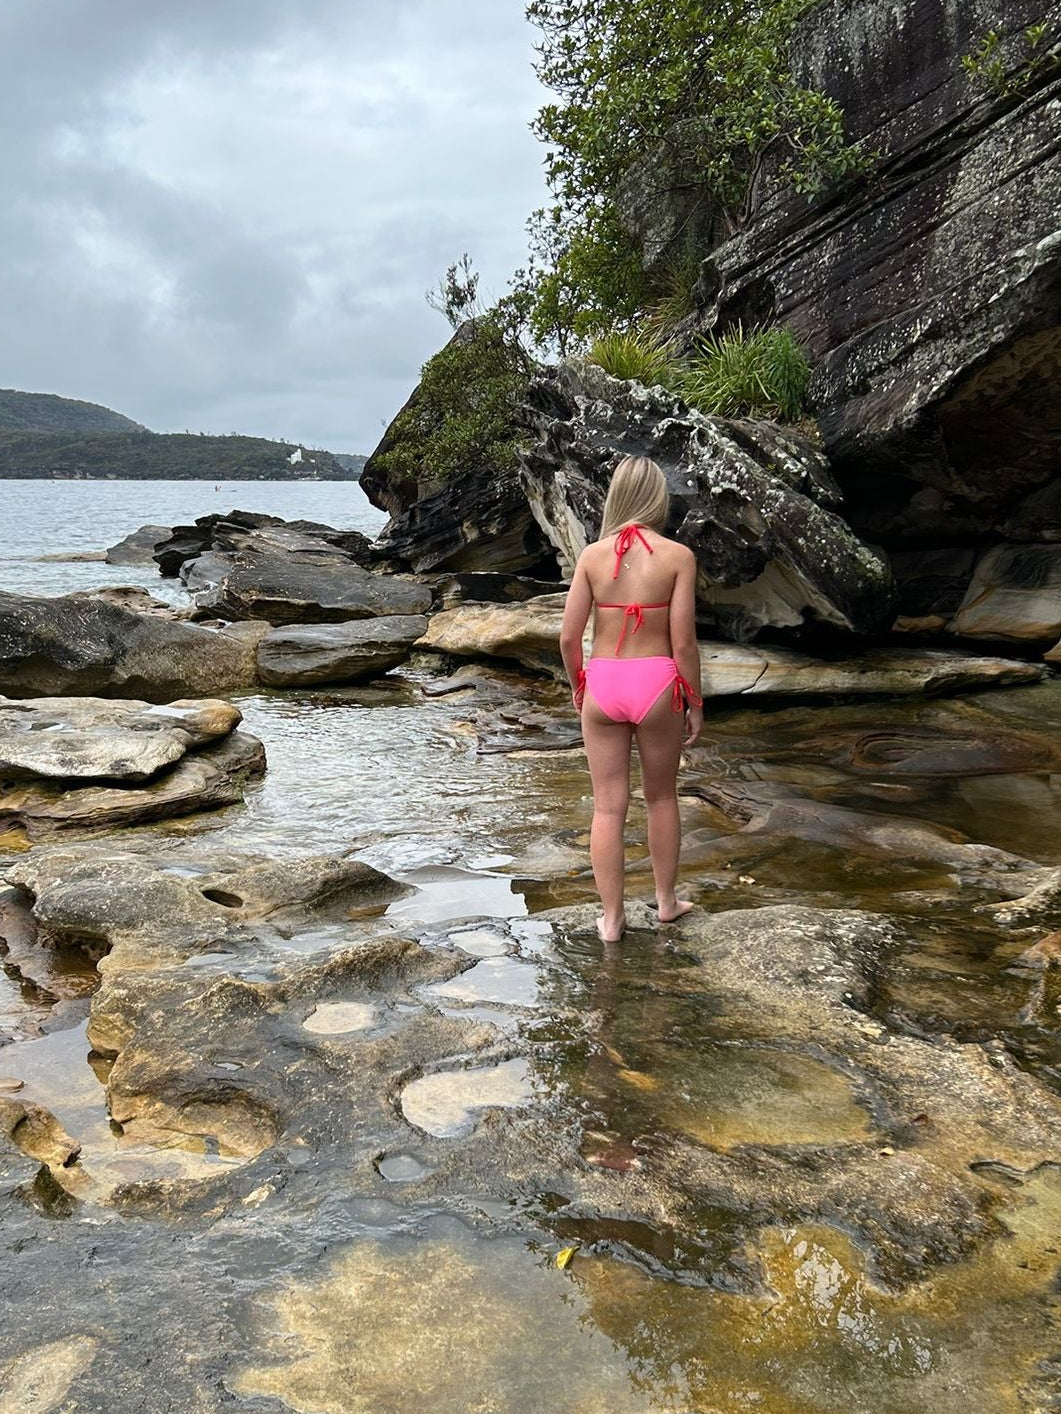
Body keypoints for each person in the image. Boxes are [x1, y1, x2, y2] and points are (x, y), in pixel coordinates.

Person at [559, 455, 703, 944]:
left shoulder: (592, 557)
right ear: (658, 498)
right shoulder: (678, 557)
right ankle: (666, 903)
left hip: (603, 683)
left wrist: (580, 685)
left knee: (607, 808)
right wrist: (696, 701)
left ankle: (612, 919)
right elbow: (683, 643)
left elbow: (567, 637)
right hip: (658, 684)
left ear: (616, 496)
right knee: (662, 797)